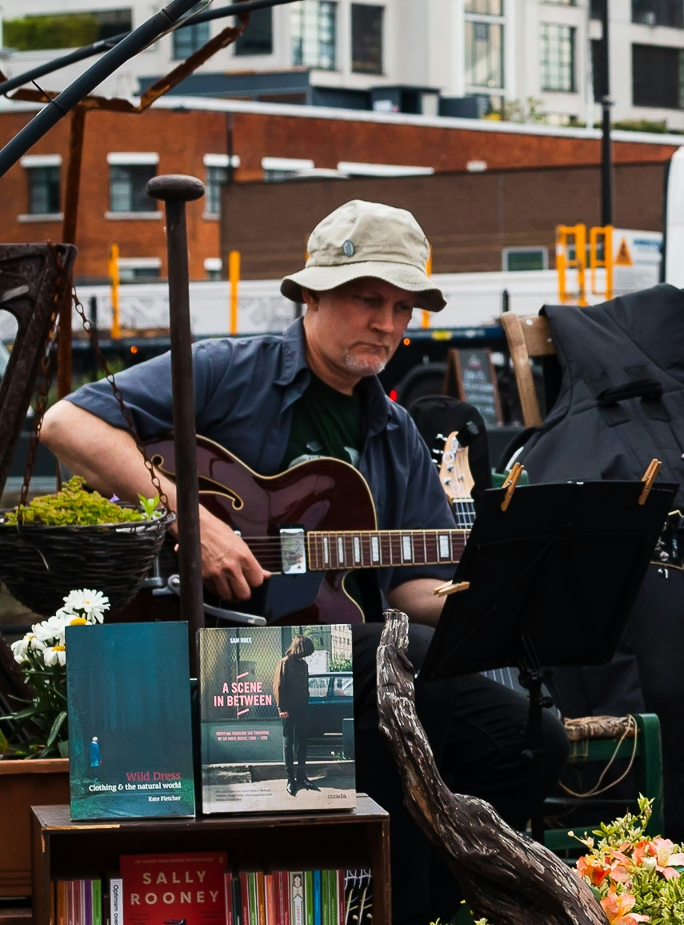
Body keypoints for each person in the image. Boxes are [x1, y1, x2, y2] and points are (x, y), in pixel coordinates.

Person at [39, 201, 566, 925]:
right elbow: (65, 422)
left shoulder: (394, 430)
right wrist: (192, 520)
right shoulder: (230, 371)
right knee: (400, 667)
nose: (387, 324)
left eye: (402, 308)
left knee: (530, 740)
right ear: (312, 295)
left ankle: (430, 907)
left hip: (347, 665)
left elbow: (412, 586)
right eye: (368, 300)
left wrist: (508, 589)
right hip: (213, 654)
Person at [275, 634, 315, 795]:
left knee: (302, 742)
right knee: (288, 742)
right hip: (288, 710)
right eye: (306, 651)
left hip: (302, 709)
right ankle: (290, 778)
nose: (307, 655)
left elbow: (305, 687)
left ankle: (301, 775)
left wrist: (306, 704)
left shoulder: (303, 664)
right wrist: (281, 708)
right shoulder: (285, 662)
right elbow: (278, 686)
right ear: (300, 648)